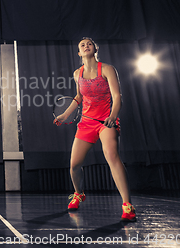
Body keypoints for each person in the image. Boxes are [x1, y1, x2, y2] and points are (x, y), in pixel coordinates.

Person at [54, 37, 136, 222]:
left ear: (95, 48)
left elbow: (117, 96)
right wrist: (65, 115)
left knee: (112, 156)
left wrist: (113, 116)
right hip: (86, 122)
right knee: (74, 165)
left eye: (89, 43)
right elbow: (78, 97)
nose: (85, 46)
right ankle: (78, 193)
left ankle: (127, 206)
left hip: (106, 121)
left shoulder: (107, 69)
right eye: (82, 45)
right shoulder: (77, 73)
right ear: (79, 52)